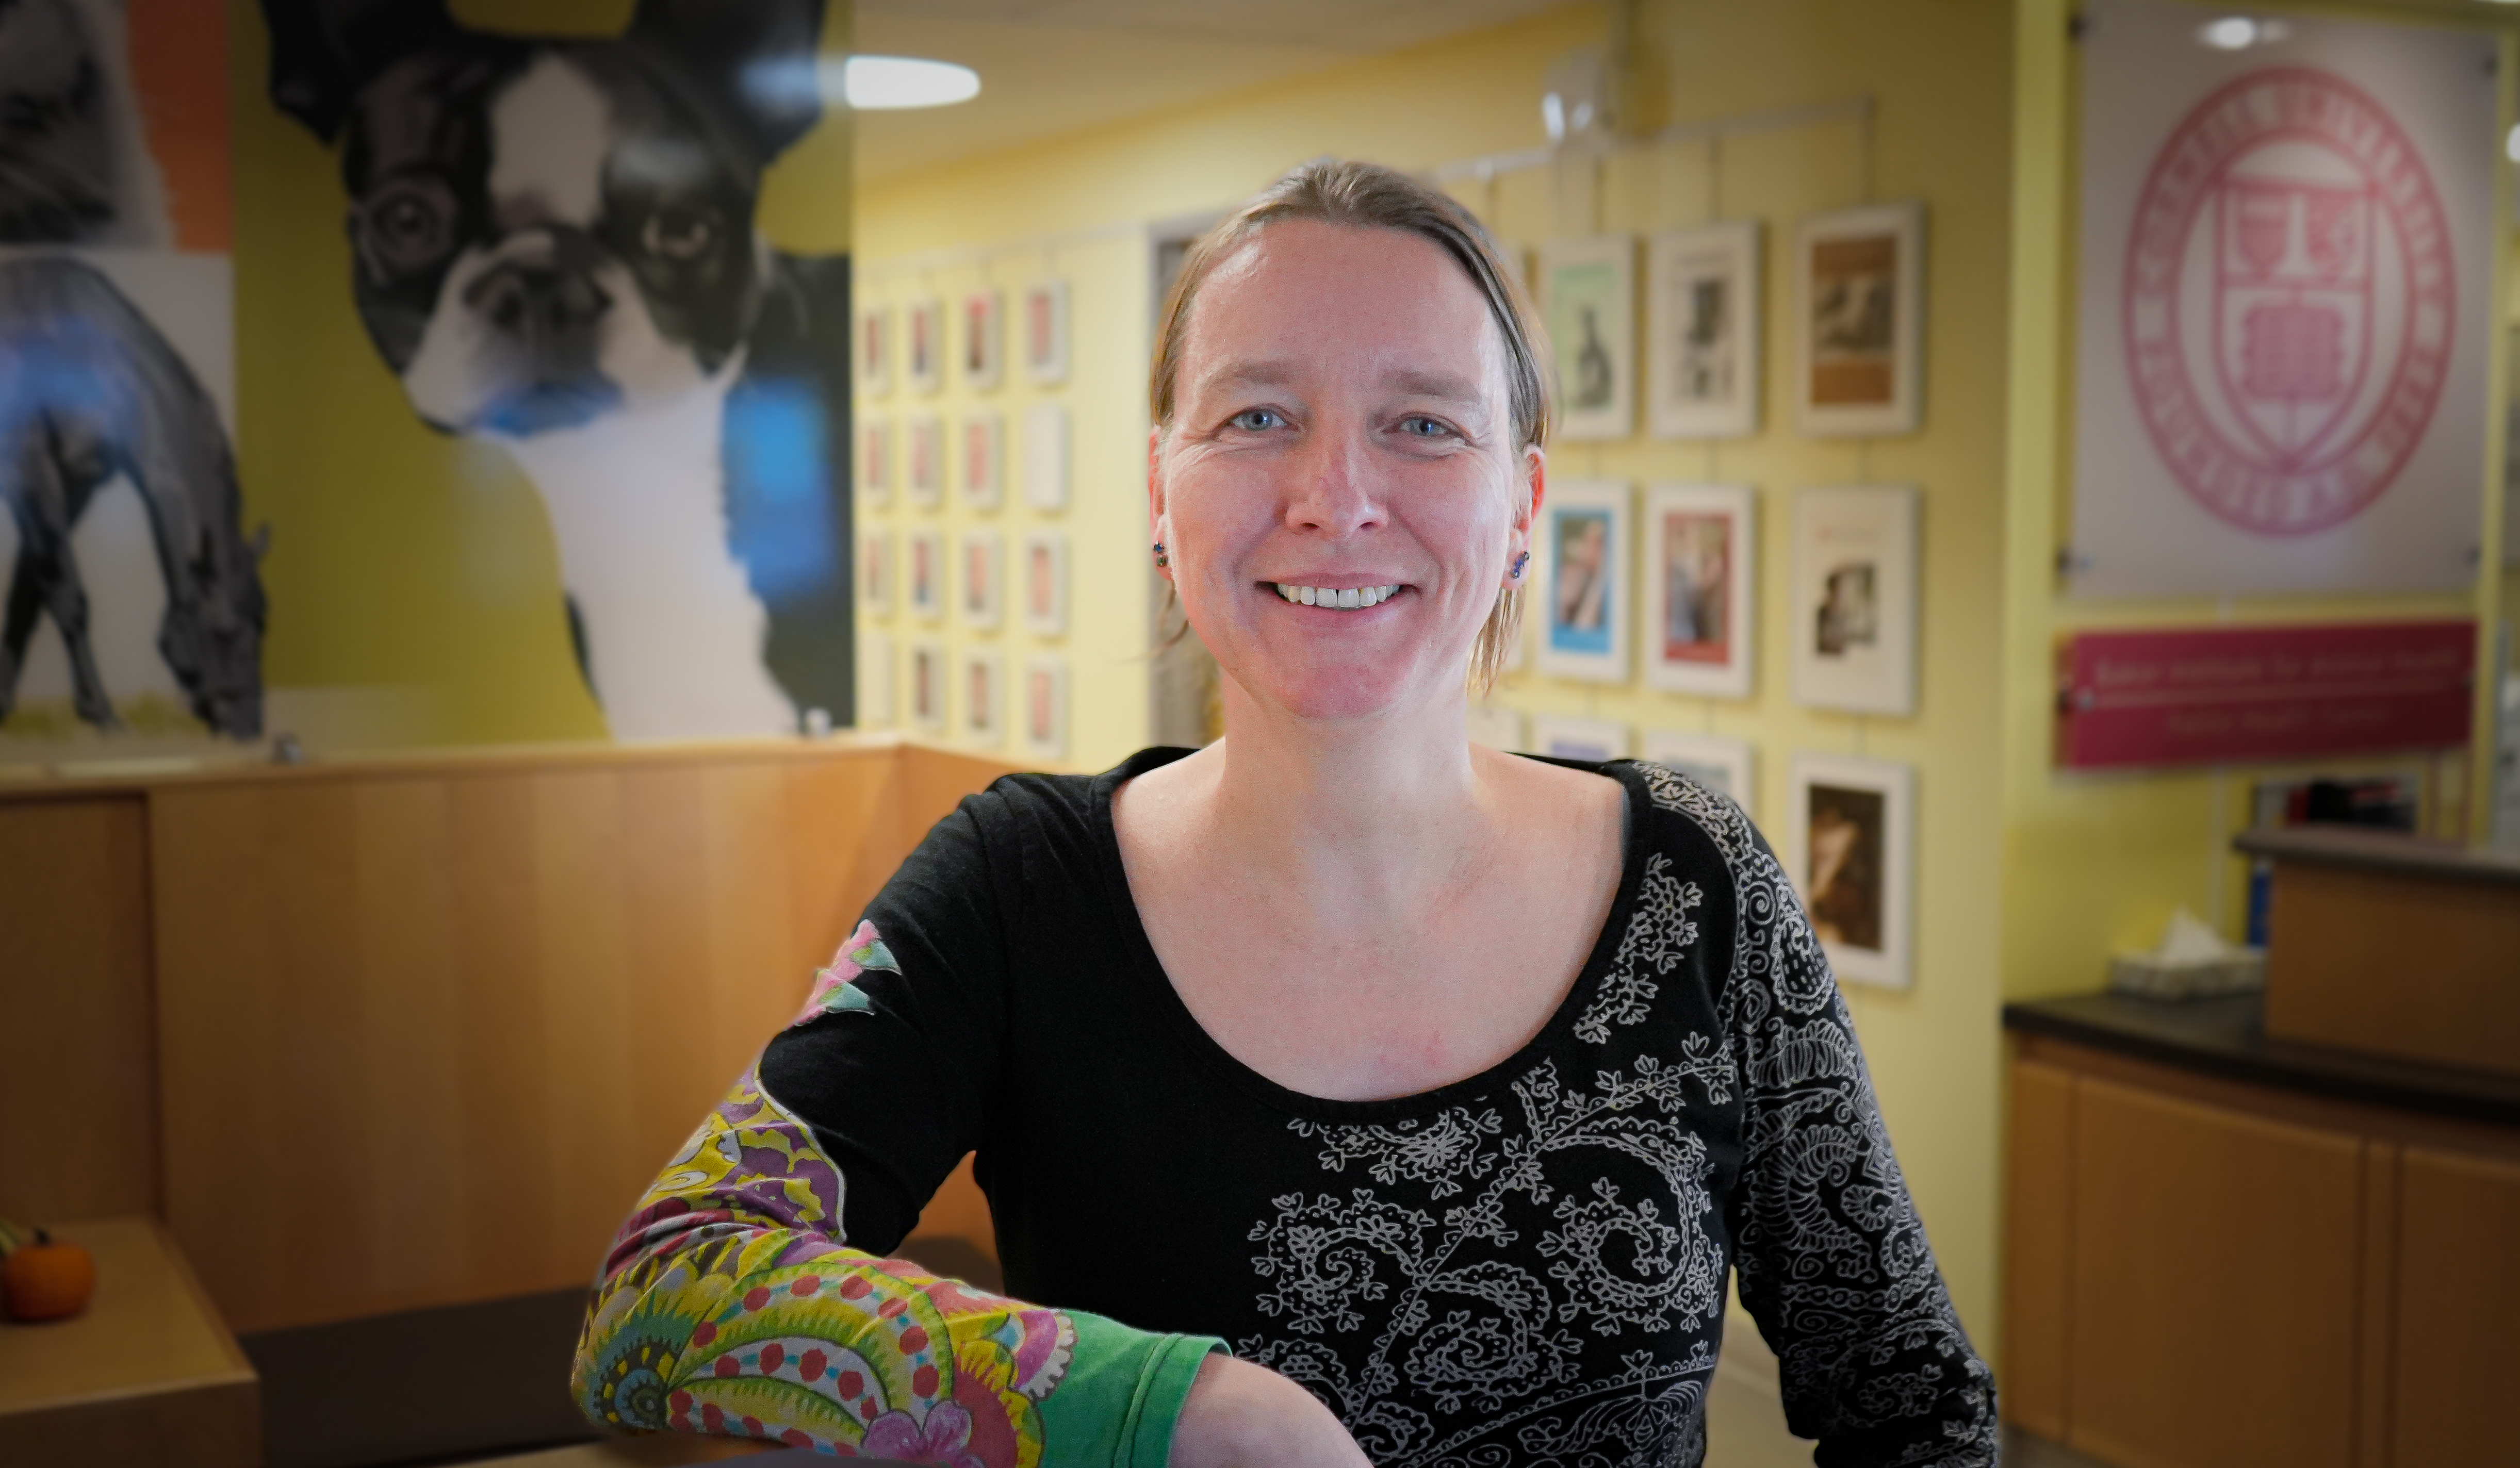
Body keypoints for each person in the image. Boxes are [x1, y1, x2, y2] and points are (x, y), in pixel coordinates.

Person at [570, 159, 1997, 1468]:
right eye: (1258, 416)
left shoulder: (1696, 887)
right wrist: (1163, 1401)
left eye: (1424, 425)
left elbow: (1916, 1405)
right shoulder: (1020, 894)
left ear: (1521, 513)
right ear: (1156, 490)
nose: (1336, 497)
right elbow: (663, 1292)